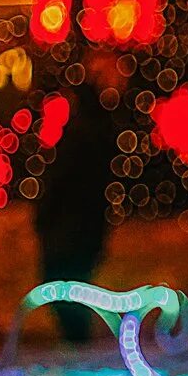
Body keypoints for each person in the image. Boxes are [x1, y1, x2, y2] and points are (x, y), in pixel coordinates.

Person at [33, 81, 115, 342]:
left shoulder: (78, 140)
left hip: (68, 232)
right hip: (82, 231)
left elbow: (60, 186)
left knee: (63, 289)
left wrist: (44, 218)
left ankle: (77, 342)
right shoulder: (93, 138)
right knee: (72, 290)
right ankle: (77, 340)